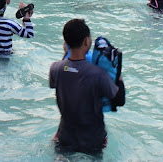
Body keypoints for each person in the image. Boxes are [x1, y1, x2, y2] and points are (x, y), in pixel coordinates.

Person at [49, 18, 125, 154]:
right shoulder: (99, 74)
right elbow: (119, 100)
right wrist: (117, 73)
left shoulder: (55, 69)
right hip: (92, 141)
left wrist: (65, 54)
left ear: (66, 43)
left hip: (64, 137)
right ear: (87, 41)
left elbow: (67, 76)